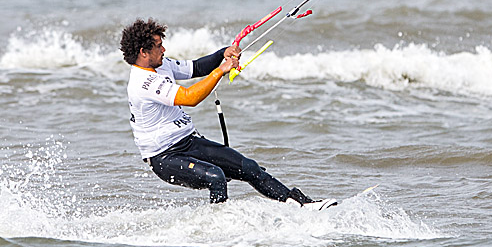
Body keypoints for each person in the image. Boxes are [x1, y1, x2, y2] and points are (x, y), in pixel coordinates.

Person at [120, 18, 334, 209]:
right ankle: (218, 228)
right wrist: (221, 70)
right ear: (143, 52)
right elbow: (190, 97)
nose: (164, 49)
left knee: (249, 167)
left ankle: (300, 205)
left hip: (189, 142)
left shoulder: (161, 65)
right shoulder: (143, 83)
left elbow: (196, 67)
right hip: (165, 157)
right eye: (159, 46)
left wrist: (223, 53)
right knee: (216, 177)